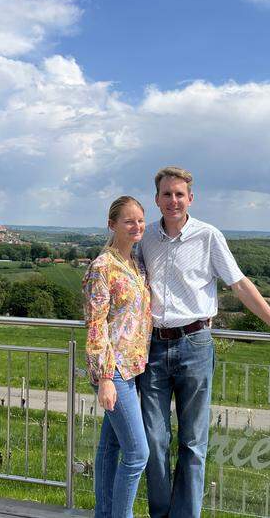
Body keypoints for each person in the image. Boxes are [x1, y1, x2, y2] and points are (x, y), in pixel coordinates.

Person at [138, 167, 270, 518]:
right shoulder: (146, 239)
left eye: (179, 194)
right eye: (167, 194)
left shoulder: (208, 236)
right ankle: (160, 514)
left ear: (191, 198)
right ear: (156, 199)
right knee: (153, 441)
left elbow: (239, 284)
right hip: (154, 347)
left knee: (192, 443)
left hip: (195, 345)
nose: (173, 200)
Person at [83, 195, 152, 518]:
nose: (136, 225)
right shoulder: (102, 267)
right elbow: (96, 327)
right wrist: (106, 379)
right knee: (138, 453)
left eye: (140, 219)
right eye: (128, 220)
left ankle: (105, 514)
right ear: (112, 225)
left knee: (111, 448)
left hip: (132, 369)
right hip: (115, 372)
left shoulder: (135, 263)